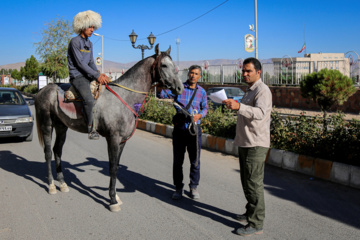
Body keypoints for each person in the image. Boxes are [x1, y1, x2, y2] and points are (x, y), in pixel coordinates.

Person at [223, 57, 272, 236]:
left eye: (248, 71)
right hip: (246, 141)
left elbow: (260, 113)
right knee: (246, 181)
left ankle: (256, 222)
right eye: (243, 71)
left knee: (253, 183)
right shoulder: (249, 90)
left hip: (256, 143)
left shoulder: (262, 90)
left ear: (258, 72)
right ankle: (250, 213)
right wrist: (235, 106)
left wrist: (239, 107)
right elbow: (245, 110)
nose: (244, 74)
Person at [159, 65, 208, 200]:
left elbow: (205, 108)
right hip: (179, 129)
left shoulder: (202, 92)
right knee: (178, 161)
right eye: (191, 73)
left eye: (196, 73)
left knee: (195, 161)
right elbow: (163, 94)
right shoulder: (179, 88)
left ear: (199, 76)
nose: (193, 75)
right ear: (188, 74)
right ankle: (178, 188)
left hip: (194, 130)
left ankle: (193, 187)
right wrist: (162, 83)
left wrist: (200, 116)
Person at [67, 10, 109, 140]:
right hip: (78, 77)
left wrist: (99, 74)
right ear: (82, 26)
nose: (92, 29)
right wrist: (96, 76)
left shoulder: (89, 44)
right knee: (89, 100)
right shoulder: (75, 42)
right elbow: (80, 64)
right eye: (90, 26)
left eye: (93, 27)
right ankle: (91, 129)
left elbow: (91, 62)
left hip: (88, 75)